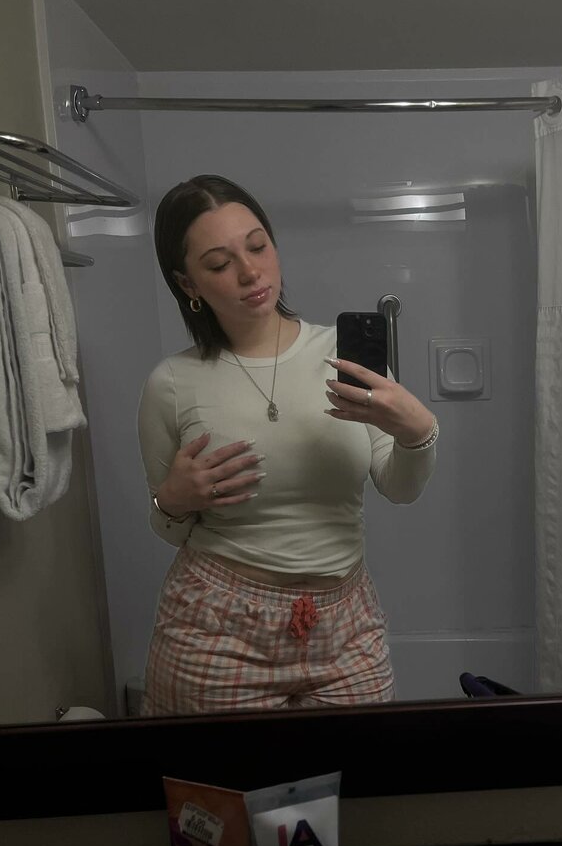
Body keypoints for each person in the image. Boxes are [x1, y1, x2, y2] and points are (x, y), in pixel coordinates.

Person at [137, 175, 437, 715]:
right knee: (211, 775)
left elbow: (400, 488)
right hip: (215, 631)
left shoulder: (342, 357)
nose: (250, 272)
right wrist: (173, 499)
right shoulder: (172, 384)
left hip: (346, 624)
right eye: (219, 263)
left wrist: (418, 434)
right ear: (188, 283)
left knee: (370, 767)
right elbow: (170, 528)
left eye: (258, 246)